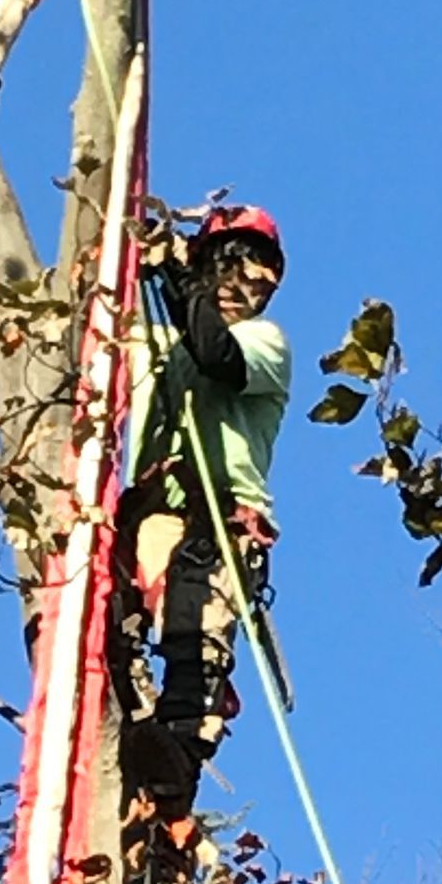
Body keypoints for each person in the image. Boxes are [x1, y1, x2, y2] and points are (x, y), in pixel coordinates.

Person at [116, 205, 292, 817]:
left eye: (257, 280)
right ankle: (134, 729)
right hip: (146, 512)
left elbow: (216, 355)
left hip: (215, 517)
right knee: (115, 626)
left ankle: (180, 760)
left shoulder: (262, 342)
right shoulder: (157, 337)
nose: (243, 290)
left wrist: (181, 281)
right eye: (229, 273)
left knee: (193, 628)